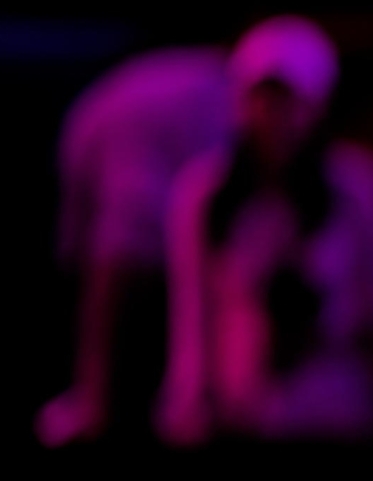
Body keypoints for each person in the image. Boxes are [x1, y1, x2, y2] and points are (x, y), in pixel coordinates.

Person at [158, 16, 373, 444]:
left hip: (340, 412)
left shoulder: (359, 185)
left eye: (289, 101)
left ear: (317, 106)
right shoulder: (204, 194)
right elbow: (192, 314)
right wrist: (189, 409)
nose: (274, 117)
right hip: (241, 414)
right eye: (261, 98)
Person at [37, 46, 232, 446]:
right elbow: (225, 170)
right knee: (183, 379)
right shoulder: (216, 85)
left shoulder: (101, 97)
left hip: (114, 254)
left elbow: (76, 191)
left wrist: (77, 251)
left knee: (105, 393)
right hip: (172, 251)